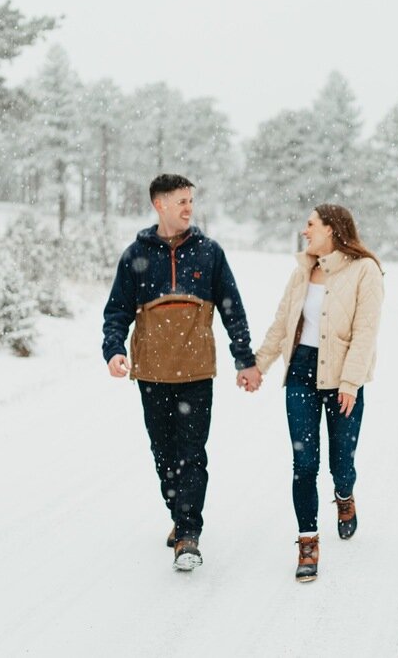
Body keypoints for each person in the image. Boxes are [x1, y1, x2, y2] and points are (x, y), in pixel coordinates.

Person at [102, 174, 262, 572]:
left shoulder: (209, 253)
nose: (189, 207)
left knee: (192, 455)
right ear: (159, 205)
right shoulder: (135, 256)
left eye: (191, 200)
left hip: (195, 372)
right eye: (181, 201)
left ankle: (189, 533)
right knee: (164, 454)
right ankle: (179, 511)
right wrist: (114, 350)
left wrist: (244, 359)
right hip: (152, 373)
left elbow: (231, 308)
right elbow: (117, 310)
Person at [253, 203, 384, 583]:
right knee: (304, 464)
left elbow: (365, 332)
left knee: (341, 463)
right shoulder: (303, 271)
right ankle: (308, 541)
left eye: (311, 224)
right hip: (300, 374)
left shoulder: (365, 271)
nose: (305, 230)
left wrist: (350, 383)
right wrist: (258, 366)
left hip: (343, 376)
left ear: (332, 229)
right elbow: (282, 322)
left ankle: (345, 496)